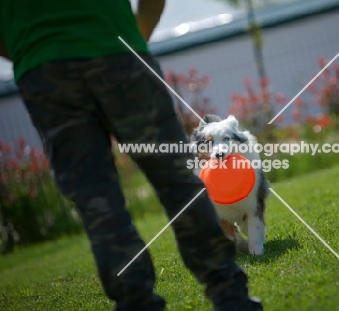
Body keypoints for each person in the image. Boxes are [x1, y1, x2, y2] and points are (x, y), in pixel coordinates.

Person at [0, 1, 263, 310]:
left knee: (97, 201)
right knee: (178, 180)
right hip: (119, 52)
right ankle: (230, 294)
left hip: (44, 72)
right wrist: (132, 38)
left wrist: (32, 48)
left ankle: (137, 303)